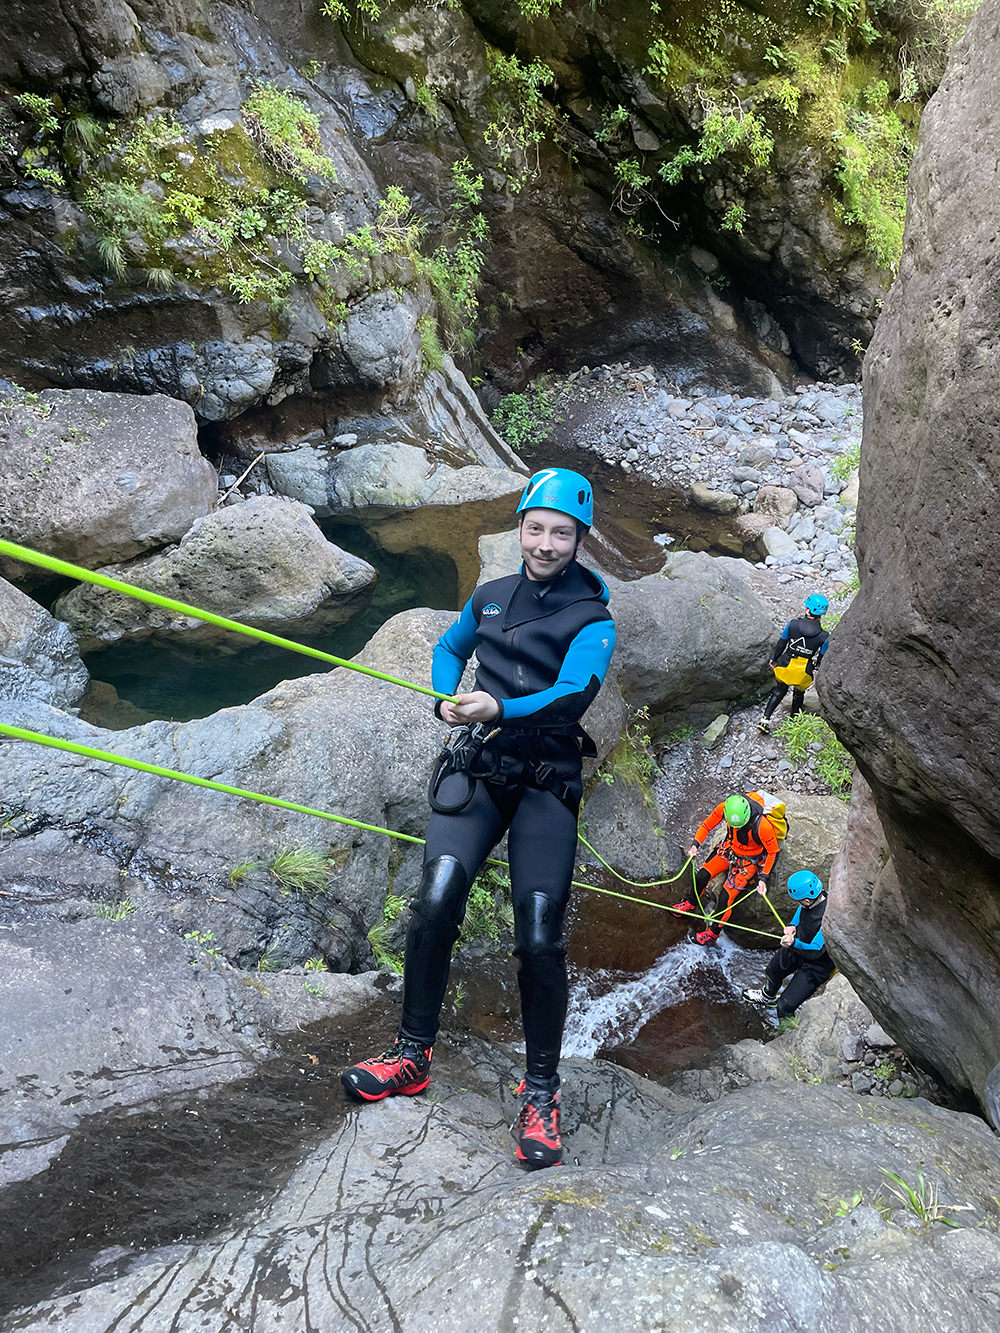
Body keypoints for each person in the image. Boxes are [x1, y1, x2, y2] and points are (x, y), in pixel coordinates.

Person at [341, 467, 616, 1170]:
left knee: (537, 937)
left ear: (580, 538)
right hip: (483, 768)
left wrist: (498, 707)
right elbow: (446, 649)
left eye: (562, 532)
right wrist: (443, 699)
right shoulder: (491, 597)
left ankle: (542, 1091)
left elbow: (569, 697)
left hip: (546, 779)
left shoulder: (595, 618)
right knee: (434, 900)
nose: (547, 543)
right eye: (536, 527)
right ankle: (411, 1055)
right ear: (519, 527)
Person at [673, 792, 781, 946]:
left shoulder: (762, 826)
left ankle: (712, 934)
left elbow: (773, 852)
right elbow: (706, 825)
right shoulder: (724, 808)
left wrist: (763, 878)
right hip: (729, 850)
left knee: (725, 899)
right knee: (701, 876)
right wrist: (695, 845)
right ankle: (691, 903)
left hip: (748, 862)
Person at [742, 869, 835, 1018]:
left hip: (817, 964)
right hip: (798, 947)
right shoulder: (818, 897)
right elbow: (801, 910)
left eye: (799, 900)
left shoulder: (829, 918)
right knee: (773, 971)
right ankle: (767, 996)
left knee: (785, 1005)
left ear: (807, 900)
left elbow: (816, 949)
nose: (798, 903)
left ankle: (786, 1031)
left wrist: (793, 943)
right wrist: (793, 925)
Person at [758, 594, 830, 734]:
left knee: (779, 691)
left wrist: (774, 659)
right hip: (803, 672)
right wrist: (816, 667)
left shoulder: (792, 624)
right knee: (798, 695)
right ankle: (793, 723)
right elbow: (822, 657)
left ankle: (765, 720)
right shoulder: (824, 636)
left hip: (785, 665)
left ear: (808, 610)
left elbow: (781, 644)